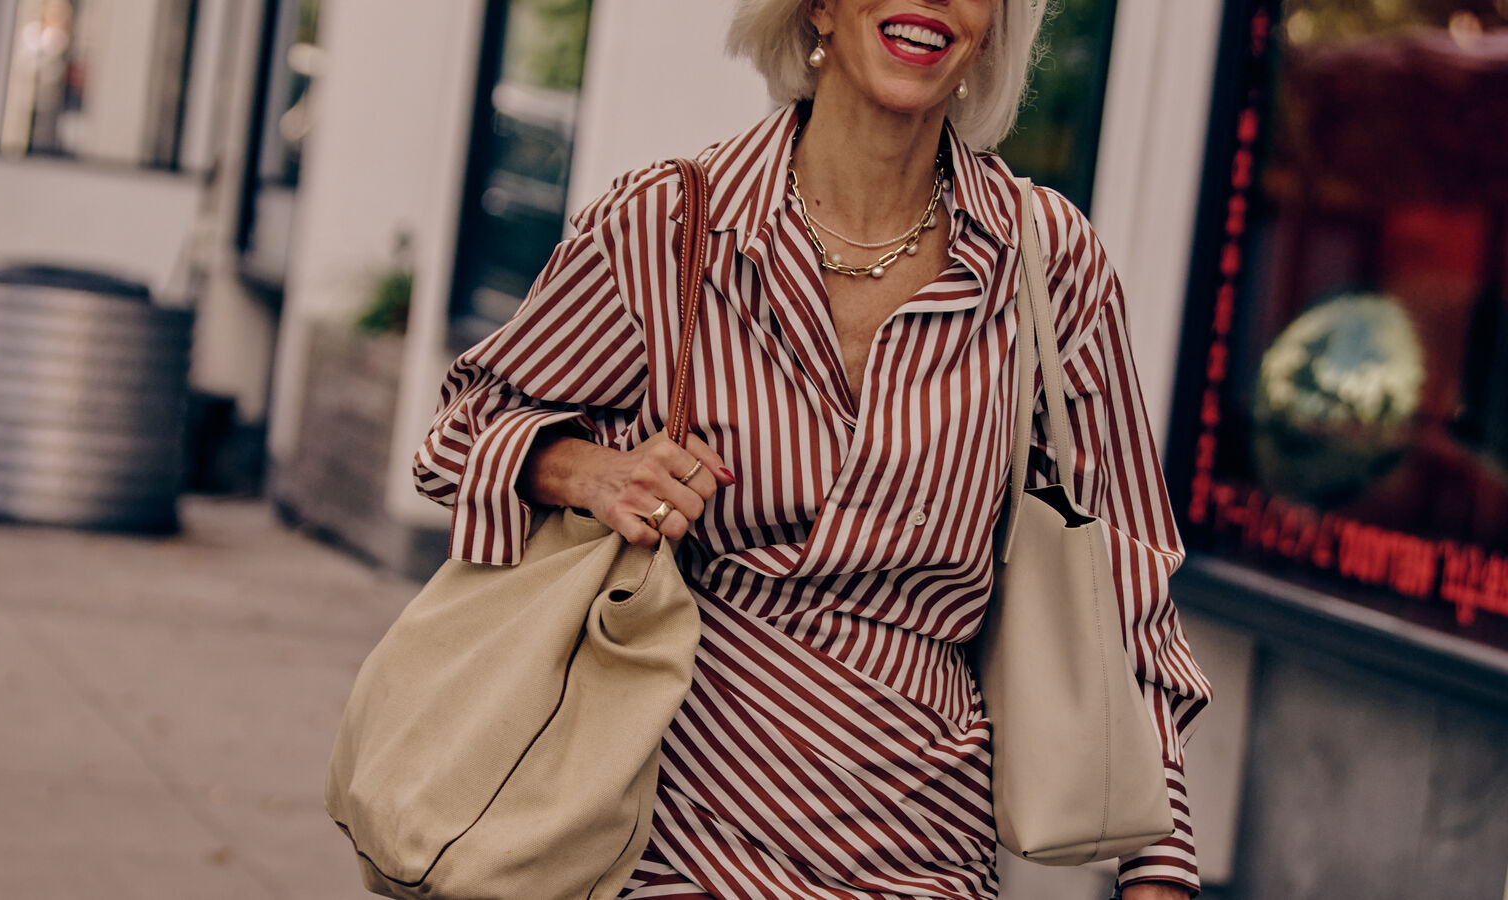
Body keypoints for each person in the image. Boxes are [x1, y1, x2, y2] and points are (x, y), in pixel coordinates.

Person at [413, 1, 1212, 897]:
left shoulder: (1049, 263)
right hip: (664, 819)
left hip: (924, 847)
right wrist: (591, 471)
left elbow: (1127, 589)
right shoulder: (671, 223)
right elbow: (460, 430)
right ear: (818, 6)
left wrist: (1159, 869)